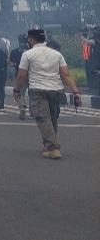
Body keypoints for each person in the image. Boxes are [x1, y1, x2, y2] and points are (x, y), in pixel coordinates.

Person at [14, 29, 82, 160]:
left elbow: (21, 75)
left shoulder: (28, 54)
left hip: (38, 90)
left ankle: (53, 148)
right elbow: (66, 74)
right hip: (56, 90)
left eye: (29, 38)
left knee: (43, 118)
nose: (28, 41)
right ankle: (48, 146)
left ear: (32, 39)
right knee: (52, 118)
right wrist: (75, 91)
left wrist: (17, 90)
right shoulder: (56, 54)